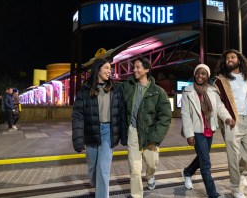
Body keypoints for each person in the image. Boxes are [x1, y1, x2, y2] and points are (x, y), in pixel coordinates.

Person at [72, 58, 127, 198]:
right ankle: (98, 185)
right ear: (98, 69)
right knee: (92, 170)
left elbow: (121, 113)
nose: (110, 71)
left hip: (108, 133)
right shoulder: (85, 90)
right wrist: (78, 141)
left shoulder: (115, 89)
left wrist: (124, 134)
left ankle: (102, 194)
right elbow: (78, 116)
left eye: (110, 69)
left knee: (103, 170)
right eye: (107, 68)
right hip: (91, 132)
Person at [181, 64, 235, 198]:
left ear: (207, 76)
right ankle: (212, 194)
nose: (200, 76)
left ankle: (188, 172)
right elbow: (185, 114)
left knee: (201, 157)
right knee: (205, 162)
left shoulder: (212, 91)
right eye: (198, 73)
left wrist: (227, 118)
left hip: (209, 129)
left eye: (203, 73)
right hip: (196, 131)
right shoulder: (188, 91)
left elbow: (220, 107)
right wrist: (189, 134)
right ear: (195, 74)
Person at [213, 49, 247, 198]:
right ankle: (235, 188)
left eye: (233, 57)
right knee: (233, 156)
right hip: (232, 121)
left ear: (239, 60)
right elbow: (218, 104)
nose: (230, 60)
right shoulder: (219, 81)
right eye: (227, 58)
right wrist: (227, 118)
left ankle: (239, 172)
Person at [122, 56, 172, 198]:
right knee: (135, 169)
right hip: (132, 131)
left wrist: (156, 137)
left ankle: (150, 176)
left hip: (150, 133)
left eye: (138, 67)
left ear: (147, 70)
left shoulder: (158, 92)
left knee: (152, 163)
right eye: (134, 67)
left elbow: (165, 117)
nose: (134, 70)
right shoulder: (128, 87)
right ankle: (137, 195)